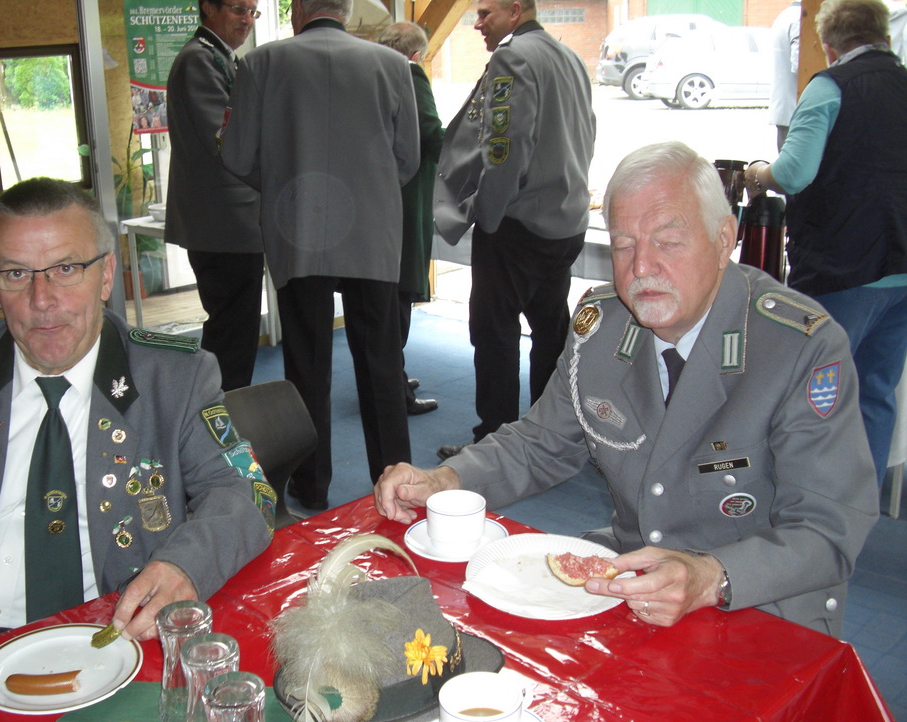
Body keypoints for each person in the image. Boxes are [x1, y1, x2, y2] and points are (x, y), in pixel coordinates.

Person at [376, 142, 879, 638]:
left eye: (668, 241)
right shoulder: (602, 328)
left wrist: (712, 577)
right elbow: (541, 443)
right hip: (632, 583)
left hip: (759, 607)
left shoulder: (797, 347)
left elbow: (828, 528)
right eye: (623, 244)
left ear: (724, 238)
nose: (641, 267)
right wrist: (447, 479)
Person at [0, 178, 275, 674]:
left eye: (66, 269)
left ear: (106, 275)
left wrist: (183, 566)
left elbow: (245, 491)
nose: (42, 299)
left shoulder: (175, 378)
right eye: (15, 273)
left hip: (116, 630)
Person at [220, 0, 419, 510]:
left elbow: (237, 156)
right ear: (346, 11)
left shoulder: (260, 64)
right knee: (381, 363)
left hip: (299, 228)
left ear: (298, 11)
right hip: (371, 232)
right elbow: (408, 159)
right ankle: (397, 482)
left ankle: (310, 485)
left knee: (306, 364)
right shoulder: (393, 64)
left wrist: (282, 181)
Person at [744, 0, 907, 485]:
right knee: (875, 391)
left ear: (829, 44)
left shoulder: (830, 86)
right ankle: (860, 503)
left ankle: (809, 501)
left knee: (816, 392)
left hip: (844, 268)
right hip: (901, 268)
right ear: (885, 36)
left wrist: (758, 174)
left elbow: (794, 173)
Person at [433, 0, 596, 461]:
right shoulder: (568, 56)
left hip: (518, 225)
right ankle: (550, 436)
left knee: (494, 333)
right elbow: (587, 131)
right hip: (565, 220)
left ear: (516, 10)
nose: (478, 23)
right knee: (550, 329)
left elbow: (505, 147)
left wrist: (487, 214)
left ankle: (496, 444)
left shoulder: (512, 56)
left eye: (486, 13)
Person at [165, 0, 265, 392]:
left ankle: (219, 411)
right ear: (208, 7)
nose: (247, 20)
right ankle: (219, 415)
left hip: (228, 220)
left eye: (253, 11)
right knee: (232, 332)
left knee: (234, 328)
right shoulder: (200, 59)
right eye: (239, 9)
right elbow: (225, 140)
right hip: (224, 222)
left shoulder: (219, 57)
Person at [377, 21, 444, 418]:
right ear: (417, 53)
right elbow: (432, 135)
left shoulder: (371, 70)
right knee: (397, 300)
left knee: (381, 301)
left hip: (376, 201)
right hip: (404, 202)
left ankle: (390, 378)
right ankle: (393, 390)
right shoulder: (410, 73)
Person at [769, 0, 802, 150]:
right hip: (795, 109)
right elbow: (800, 65)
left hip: (785, 108)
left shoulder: (785, 15)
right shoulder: (800, 19)